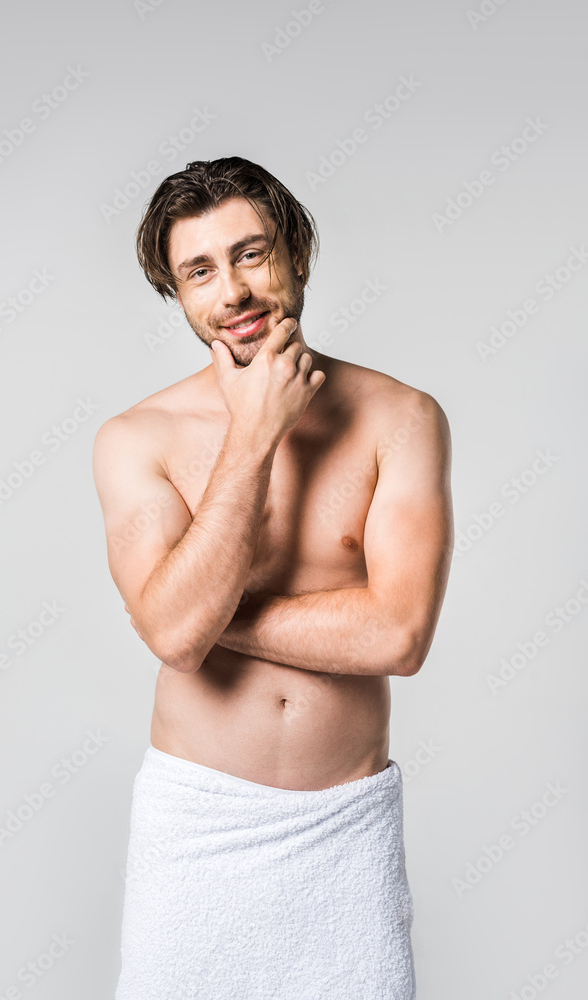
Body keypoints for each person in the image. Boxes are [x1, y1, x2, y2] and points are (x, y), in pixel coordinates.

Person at [93, 156, 453, 1000]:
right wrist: (254, 432)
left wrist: (203, 615)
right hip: (197, 827)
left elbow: (397, 636)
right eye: (200, 271)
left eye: (251, 254)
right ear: (176, 294)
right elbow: (175, 638)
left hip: (345, 826)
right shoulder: (134, 439)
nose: (233, 291)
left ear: (294, 252)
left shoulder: (400, 419)